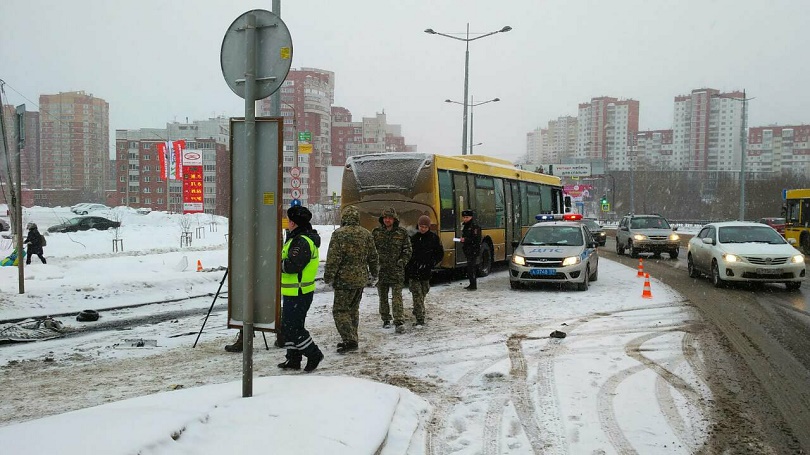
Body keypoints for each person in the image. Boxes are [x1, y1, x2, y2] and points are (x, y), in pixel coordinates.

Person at [323, 206, 379, 354]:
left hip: (343, 280)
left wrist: (328, 276)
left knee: (340, 310)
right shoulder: (366, 234)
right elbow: (373, 257)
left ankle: (349, 340)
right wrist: (374, 273)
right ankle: (353, 336)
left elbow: (333, 259)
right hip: (360, 279)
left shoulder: (339, 234)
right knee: (353, 310)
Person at [277, 205, 324, 372]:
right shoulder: (296, 238)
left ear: (295, 223)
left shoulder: (302, 241)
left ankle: (313, 354)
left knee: (292, 327)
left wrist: (277, 264)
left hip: (299, 292)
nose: (287, 223)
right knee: (289, 326)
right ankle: (293, 359)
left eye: (289, 220)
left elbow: (292, 266)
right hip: (294, 291)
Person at [372, 207, 412, 334]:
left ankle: (399, 321)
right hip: (381, 271)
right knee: (382, 297)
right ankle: (386, 319)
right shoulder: (376, 232)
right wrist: (374, 265)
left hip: (396, 270)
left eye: (390, 218)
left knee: (397, 298)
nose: (387, 220)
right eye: (385, 218)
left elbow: (408, 250)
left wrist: (402, 262)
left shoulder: (401, 233)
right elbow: (371, 251)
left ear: (394, 219)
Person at [405, 215, 444, 326]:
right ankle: (420, 318)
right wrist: (409, 265)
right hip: (413, 271)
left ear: (428, 227)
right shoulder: (413, 237)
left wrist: (431, 263)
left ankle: (418, 308)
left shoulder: (433, 238)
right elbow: (407, 253)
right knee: (417, 294)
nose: (422, 229)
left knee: (423, 292)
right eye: (421, 226)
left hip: (426, 272)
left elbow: (440, 253)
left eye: (425, 227)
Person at [460, 209, 482, 290]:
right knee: (469, 268)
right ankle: (471, 284)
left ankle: (473, 285)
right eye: (464, 217)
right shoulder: (465, 225)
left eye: (467, 217)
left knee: (471, 268)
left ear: (471, 217)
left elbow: (476, 239)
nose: (465, 219)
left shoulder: (474, 226)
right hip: (468, 249)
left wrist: (465, 240)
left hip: (473, 250)